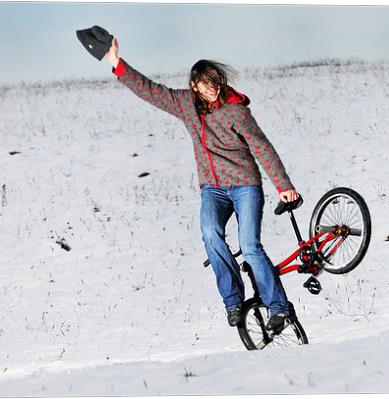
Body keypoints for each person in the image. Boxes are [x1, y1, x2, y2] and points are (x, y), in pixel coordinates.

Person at [105, 38, 300, 330]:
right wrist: (117, 64)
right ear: (195, 85)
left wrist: (283, 185)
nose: (212, 89)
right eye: (206, 84)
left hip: (245, 184)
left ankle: (279, 308)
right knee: (210, 234)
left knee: (249, 246)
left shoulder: (236, 111)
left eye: (215, 83)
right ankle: (233, 301)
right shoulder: (186, 105)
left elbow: (261, 147)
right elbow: (150, 91)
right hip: (213, 188)